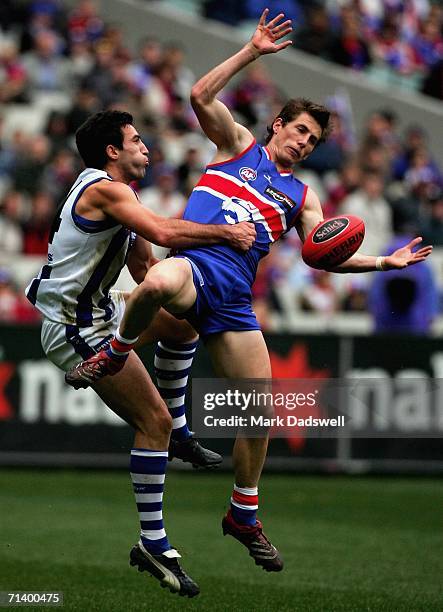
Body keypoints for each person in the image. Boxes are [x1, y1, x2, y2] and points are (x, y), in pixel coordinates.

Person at [65, 10, 433, 574]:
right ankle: (114, 352)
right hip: (197, 266)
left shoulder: (303, 196)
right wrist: (252, 51)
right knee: (160, 279)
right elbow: (198, 93)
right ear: (277, 125)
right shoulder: (237, 146)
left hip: (235, 299)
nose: (305, 142)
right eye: (299, 130)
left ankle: (243, 513)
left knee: (259, 408)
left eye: (313, 138)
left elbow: (326, 253)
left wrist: (386, 260)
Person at [25, 109, 256, 598]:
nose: (145, 146)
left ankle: (181, 432)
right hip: (74, 327)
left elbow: (147, 260)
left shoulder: (119, 196)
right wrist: (226, 234)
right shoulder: (103, 189)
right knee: (150, 424)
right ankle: (153, 544)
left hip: (101, 310)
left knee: (182, 327)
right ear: (113, 151)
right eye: (135, 140)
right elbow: (165, 234)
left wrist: (173, 282)